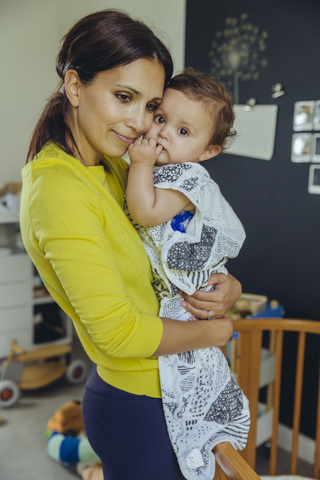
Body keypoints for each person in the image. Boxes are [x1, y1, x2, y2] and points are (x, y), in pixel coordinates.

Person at [20, 10, 242, 480]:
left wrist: (227, 287)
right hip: (139, 401)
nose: (142, 124)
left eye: (150, 106)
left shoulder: (115, 165)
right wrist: (217, 332)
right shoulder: (59, 190)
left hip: (168, 388)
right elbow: (118, 333)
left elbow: (164, 257)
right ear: (75, 86)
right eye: (125, 97)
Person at [125, 69, 249, 479]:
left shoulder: (188, 176)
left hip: (192, 301)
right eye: (160, 118)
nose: (163, 134)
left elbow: (144, 211)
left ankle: (207, 437)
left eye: (182, 130)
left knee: (195, 375)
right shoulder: (159, 168)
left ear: (207, 151)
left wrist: (139, 161)